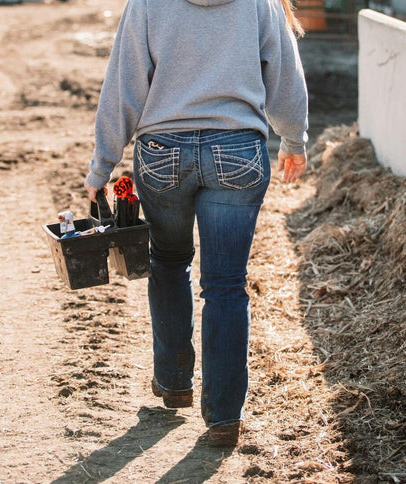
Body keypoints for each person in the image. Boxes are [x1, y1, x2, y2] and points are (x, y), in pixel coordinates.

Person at [85, 0, 308, 447]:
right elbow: (283, 71)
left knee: (168, 263)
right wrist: (294, 137)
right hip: (238, 152)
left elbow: (123, 85)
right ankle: (224, 417)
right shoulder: (259, 3)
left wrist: (101, 168)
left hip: (162, 154)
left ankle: (174, 382)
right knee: (226, 284)